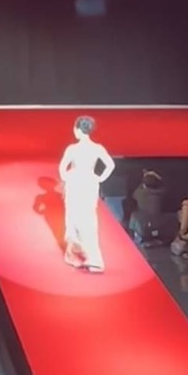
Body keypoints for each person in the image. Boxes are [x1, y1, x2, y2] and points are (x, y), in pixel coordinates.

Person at [58, 116, 115, 273]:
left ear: (77, 130)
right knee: (89, 219)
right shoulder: (97, 148)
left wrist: (66, 177)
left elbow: (62, 168)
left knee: (72, 218)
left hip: (75, 182)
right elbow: (110, 165)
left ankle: (77, 254)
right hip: (90, 183)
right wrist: (99, 178)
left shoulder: (72, 149)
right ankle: (93, 258)